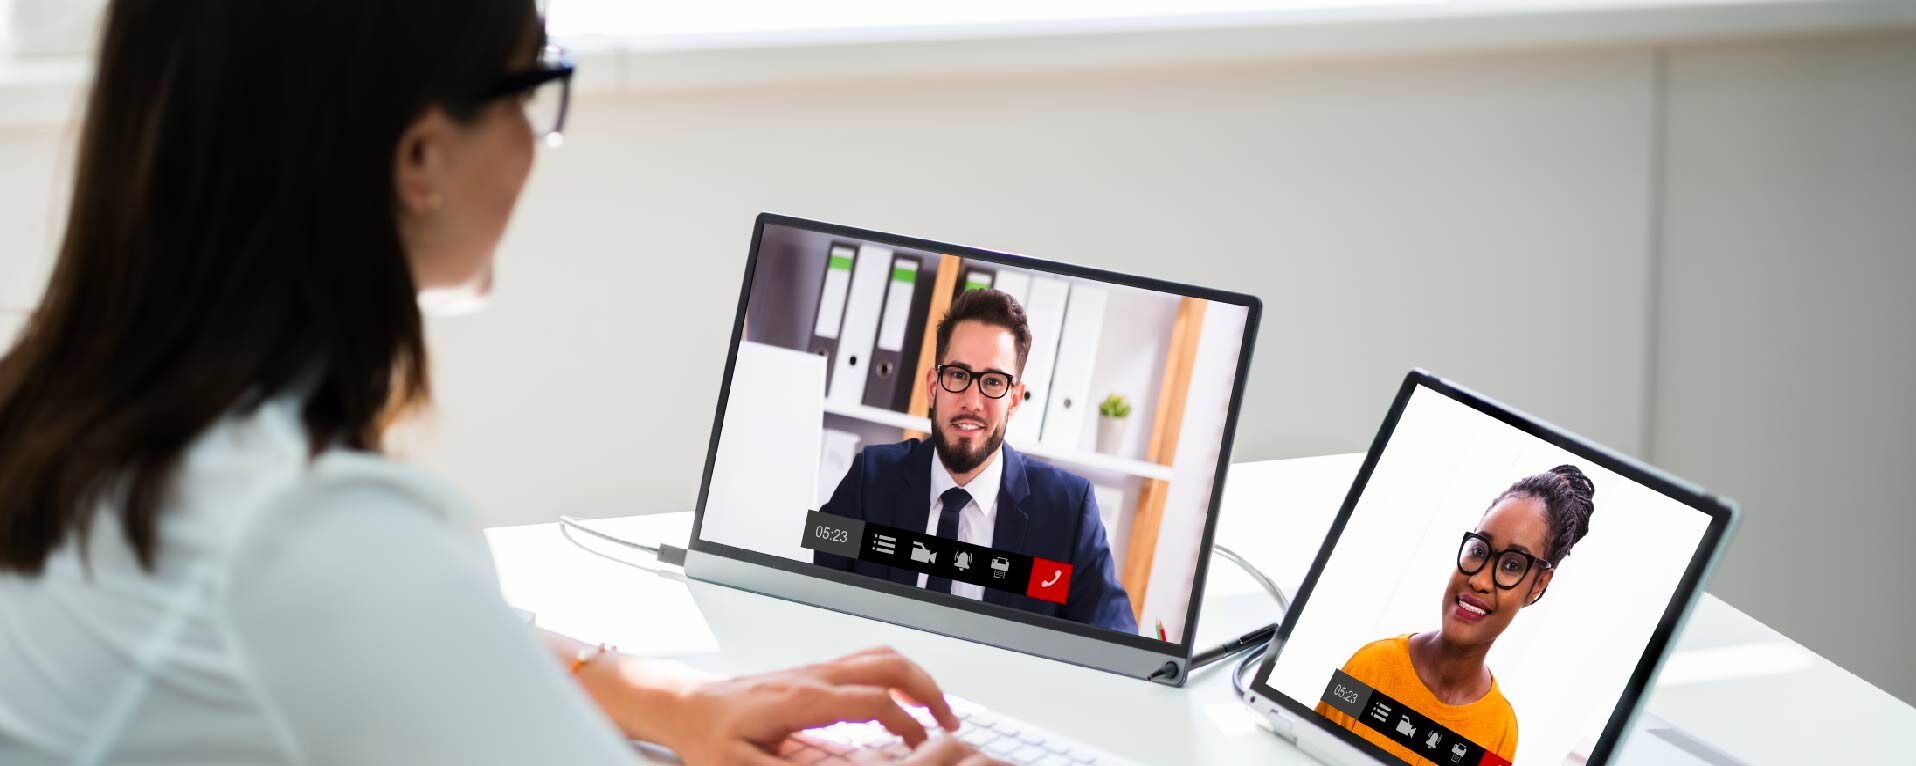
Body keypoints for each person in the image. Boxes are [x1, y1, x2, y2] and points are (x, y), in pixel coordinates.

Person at [0, 2, 1004, 764]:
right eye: (531, 90)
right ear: (420, 154)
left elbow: (411, 630)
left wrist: (666, 695)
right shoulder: (304, 526)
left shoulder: (67, 419)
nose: (533, 141)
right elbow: (359, 597)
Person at [812, 289, 1137, 633]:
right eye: (958, 375)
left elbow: (1117, 643)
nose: (973, 401)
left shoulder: (1068, 512)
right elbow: (808, 586)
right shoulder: (871, 479)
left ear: (1014, 400)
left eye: (993, 382)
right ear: (934, 387)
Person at [1316, 465, 1598, 765]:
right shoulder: (1368, 666)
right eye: (1479, 550)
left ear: (1538, 585)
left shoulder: (1500, 732)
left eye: (1512, 565)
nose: (1479, 580)